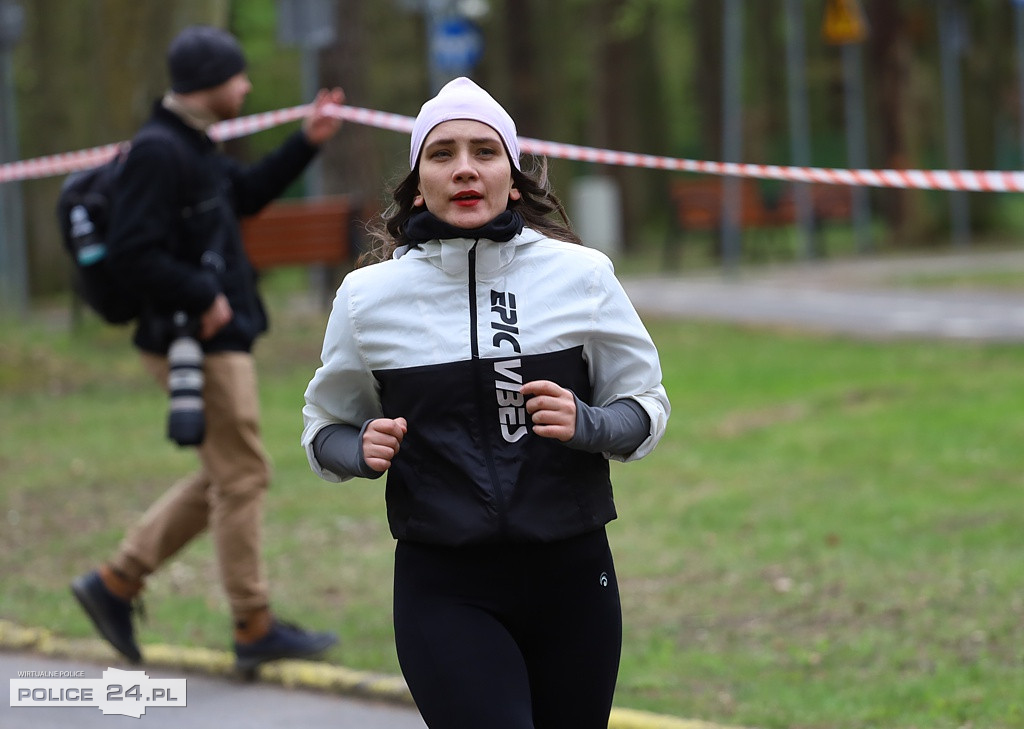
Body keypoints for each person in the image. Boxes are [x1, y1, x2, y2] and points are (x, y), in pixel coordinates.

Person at [301, 76, 670, 728]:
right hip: (444, 585)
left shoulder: (581, 276)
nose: (465, 167)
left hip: (574, 577)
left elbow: (645, 406)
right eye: (442, 154)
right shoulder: (367, 298)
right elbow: (323, 426)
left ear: (513, 173)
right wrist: (356, 449)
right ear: (419, 182)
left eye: (484, 151)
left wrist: (588, 423)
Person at [70, 24, 343, 675]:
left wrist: (306, 142)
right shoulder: (159, 152)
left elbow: (241, 196)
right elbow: (136, 250)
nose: (247, 86)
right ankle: (252, 622)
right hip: (195, 339)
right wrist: (200, 293)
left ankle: (116, 581)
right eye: (239, 76)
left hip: (218, 335)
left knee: (227, 473)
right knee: (242, 474)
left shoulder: (191, 146)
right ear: (210, 83)